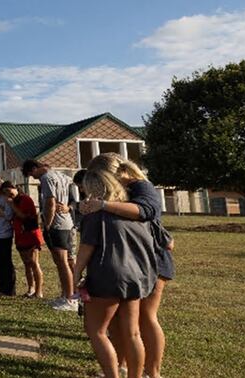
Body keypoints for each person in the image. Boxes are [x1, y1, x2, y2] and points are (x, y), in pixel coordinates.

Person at [81, 154, 175, 378]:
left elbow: (146, 212)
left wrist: (102, 205)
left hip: (148, 260)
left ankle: (152, 373)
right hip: (127, 260)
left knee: (145, 317)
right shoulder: (118, 195)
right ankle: (123, 366)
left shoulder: (142, 186)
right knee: (121, 323)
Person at [21, 159, 77, 311]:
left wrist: (47, 224)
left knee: (62, 262)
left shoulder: (46, 179)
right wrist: (69, 208)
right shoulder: (63, 176)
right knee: (69, 261)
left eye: (32, 174)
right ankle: (67, 294)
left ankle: (70, 299)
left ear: (35, 168)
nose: (34, 178)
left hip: (57, 225)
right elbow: (74, 198)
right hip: (68, 223)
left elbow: (50, 202)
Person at [3, 181, 44, 298]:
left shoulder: (25, 199)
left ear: (14, 188)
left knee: (34, 263)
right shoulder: (14, 201)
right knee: (26, 264)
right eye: (5, 193)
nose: (8, 194)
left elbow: (24, 216)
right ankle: (30, 288)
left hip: (30, 236)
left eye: (8, 191)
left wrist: (12, 206)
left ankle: (39, 291)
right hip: (20, 236)